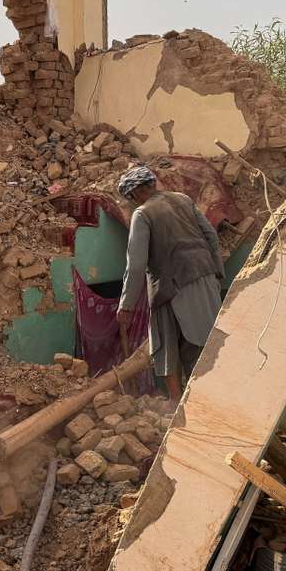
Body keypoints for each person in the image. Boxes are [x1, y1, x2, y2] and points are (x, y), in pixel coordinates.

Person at [114, 166, 224, 399]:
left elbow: (135, 265)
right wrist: (216, 274)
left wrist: (126, 305)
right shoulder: (183, 200)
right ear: (152, 184)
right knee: (212, 344)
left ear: (134, 195)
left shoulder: (142, 214)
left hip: (171, 289)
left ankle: (182, 406)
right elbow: (211, 236)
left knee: (167, 349)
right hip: (206, 279)